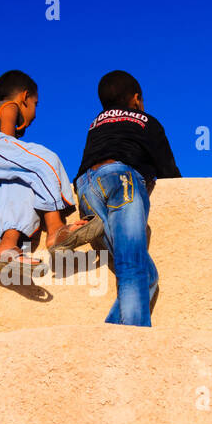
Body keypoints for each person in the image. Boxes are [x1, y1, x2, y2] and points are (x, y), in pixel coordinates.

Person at [0, 69, 93, 274]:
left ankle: (7, 245)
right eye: (36, 104)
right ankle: (55, 228)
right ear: (25, 97)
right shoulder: (9, 107)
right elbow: (7, 144)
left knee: (19, 189)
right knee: (45, 159)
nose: (35, 112)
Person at [73, 70, 181, 326]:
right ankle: (133, 353)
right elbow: (169, 171)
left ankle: (108, 339)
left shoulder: (96, 124)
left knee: (146, 275)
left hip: (87, 187)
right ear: (136, 99)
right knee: (133, 269)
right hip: (122, 181)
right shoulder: (145, 121)